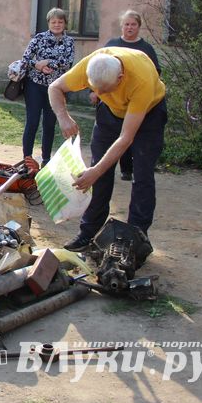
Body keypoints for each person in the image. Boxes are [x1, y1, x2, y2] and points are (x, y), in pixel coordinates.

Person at [48, 47, 167, 251]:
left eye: (105, 89)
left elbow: (125, 138)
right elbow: (54, 88)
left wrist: (95, 172)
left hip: (149, 114)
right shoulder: (92, 64)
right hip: (111, 112)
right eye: (96, 89)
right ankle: (88, 233)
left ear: (120, 78)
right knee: (98, 171)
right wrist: (63, 116)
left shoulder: (141, 79)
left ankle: (135, 238)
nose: (100, 93)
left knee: (142, 175)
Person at [97, 10, 161, 182]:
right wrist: (94, 92)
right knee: (116, 135)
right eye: (126, 24)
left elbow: (156, 74)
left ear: (139, 27)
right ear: (121, 26)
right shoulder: (112, 45)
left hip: (138, 100)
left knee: (132, 134)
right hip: (114, 102)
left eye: (133, 24)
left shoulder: (146, 49)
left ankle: (133, 169)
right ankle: (115, 169)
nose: (129, 27)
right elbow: (99, 69)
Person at [21, 8, 75, 166]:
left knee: (49, 123)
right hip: (35, 86)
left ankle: (45, 159)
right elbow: (25, 59)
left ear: (65, 24)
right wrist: (37, 65)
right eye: (53, 22)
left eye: (60, 22)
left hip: (56, 89)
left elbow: (68, 63)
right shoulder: (38, 38)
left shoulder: (69, 42)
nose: (57, 24)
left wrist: (47, 63)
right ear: (48, 23)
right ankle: (27, 159)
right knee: (32, 121)